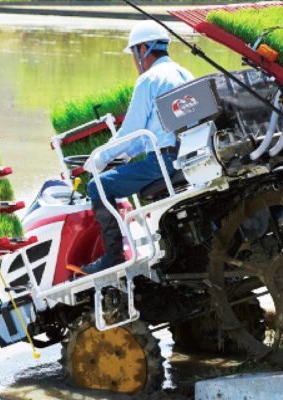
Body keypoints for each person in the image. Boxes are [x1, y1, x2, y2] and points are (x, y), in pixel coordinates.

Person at [81, 21, 194, 275]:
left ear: (143, 49)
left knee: (97, 185)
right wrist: (127, 155)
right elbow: (152, 132)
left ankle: (113, 256)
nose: (134, 60)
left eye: (133, 53)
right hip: (187, 156)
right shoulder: (185, 74)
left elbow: (130, 131)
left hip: (163, 161)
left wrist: (100, 157)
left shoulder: (149, 79)